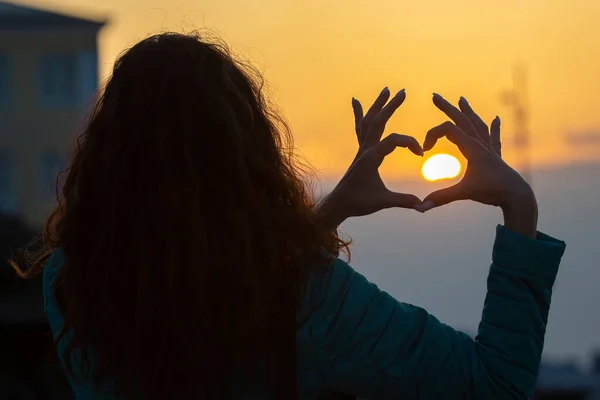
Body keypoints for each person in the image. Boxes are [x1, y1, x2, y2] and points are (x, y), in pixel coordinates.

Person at [12, 32, 566, 399]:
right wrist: (520, 209)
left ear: (108, 156)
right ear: (248, 158)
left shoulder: (73, 286)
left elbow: (211, 290)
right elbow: (494, 384)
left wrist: (325, 217)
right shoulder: (311, 300)